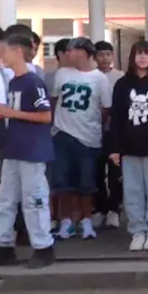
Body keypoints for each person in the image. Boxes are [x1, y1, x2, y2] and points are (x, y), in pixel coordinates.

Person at [0, 33, 55, 268]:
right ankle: (3, 244)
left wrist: (10, 113)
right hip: (13, 148)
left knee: (34, 199)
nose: (2, 55)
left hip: (32, 150)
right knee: (5, 199)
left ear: (17, 51)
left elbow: (45, 115)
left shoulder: (32, 82)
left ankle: (43, 246)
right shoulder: (13, 82)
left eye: (5, 51)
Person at [107, 41, 148, 250]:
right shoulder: (122, 85)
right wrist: (114, 148)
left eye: (147, 54)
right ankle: (137, 230)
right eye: (139, 54)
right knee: (132, 191)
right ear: (132, 57)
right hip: (129, 149)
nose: (143, 58)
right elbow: (116, 118)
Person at [51, 37, 112, 240]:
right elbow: (54, 101)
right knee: (62, 181)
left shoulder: (99, 79)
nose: (68, 54)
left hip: (88, 137)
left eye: (72, 51)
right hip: (62, 133)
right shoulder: (62, 74)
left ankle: (86, 221)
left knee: (87, 182)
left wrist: (97, 126)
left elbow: (106, 109)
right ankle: (66, 221)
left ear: (85, 53)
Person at [92, 41, 125, 229]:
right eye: (100, 55)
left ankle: (114, 210)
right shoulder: (90, 77)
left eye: (108, 54)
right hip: (93, 130)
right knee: (96, 172)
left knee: (115, 173)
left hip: (115, 131)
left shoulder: (119, 77)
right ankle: (100, 209)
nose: (104, 58)